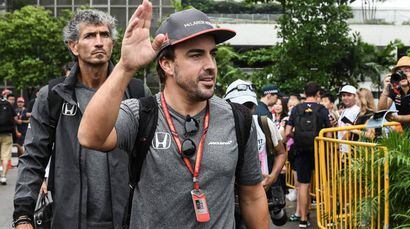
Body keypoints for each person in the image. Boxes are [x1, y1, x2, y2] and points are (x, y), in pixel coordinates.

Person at [78, 2, 269, 228]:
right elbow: (90, 137)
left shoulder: (238, 119)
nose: (210, 65)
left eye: (212, 54)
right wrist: (125, 68)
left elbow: (252, 195)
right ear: (167, 64)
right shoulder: (141, 114)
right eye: (196, 55)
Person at [13, 9, 149, 229]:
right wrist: (22, 215)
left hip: (127, 218)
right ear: (73, 46)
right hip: (68, 218)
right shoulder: (54, 95)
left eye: (104, 35)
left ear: (113, 44)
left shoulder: (136, 92)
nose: (99, 42)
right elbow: (33, 158)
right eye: (90, 36)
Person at [224, 79, 287, 227]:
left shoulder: (263, 123)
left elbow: (281, 153)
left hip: (259, 193)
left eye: (249, 105)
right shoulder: (218, 128)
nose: (244, 110)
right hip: (229, 199)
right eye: (238, 105)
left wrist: (272, 177)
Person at [285, 82, 330, 228]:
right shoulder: (322, 109)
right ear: (318, 94)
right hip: (318, 151)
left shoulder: (296, 109)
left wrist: (296, 135)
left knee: (303, 186)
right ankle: (327, 218)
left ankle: (303, 220)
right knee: (323, 183)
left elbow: (287, 133)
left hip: (301, 151)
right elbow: (328, 133)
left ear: (304, 93)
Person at [378, 56, 410, 130]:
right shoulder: (396, 90)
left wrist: (399, 118)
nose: (403, 75)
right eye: (400, 72)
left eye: (407, 71)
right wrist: (386, 89)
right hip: (408, 134)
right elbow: (382, 110)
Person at [0, 95, 18, 185]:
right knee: (6, 155)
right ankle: (3, 176)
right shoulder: (8, 104)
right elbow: (15, 118)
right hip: (7, 134)